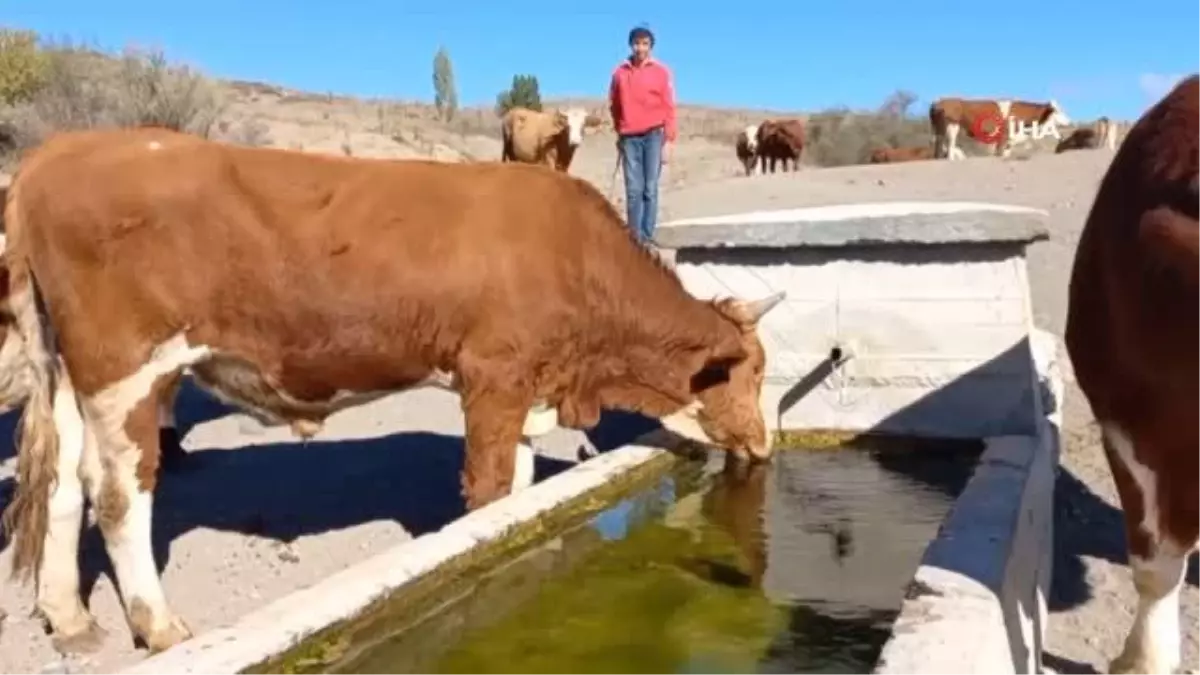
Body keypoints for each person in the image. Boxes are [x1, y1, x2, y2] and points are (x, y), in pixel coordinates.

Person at [608, 25, 677, 245]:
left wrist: (669, 140)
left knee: (650, 188)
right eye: (637, 43)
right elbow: (615, 105)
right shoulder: (620, 73)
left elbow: (668, 107)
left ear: (651, 47)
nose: (640, 48)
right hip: (629, 136)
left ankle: (647, 236)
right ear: (631, 45)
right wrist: (619, 130)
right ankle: (634, 237)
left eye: (645, 44)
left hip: (653, 135)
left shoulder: (661, 71)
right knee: (633, 189)